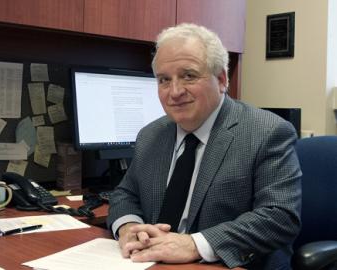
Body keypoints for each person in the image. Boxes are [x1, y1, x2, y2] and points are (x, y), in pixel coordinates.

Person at [107, 23, 302, 269]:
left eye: (188, 75)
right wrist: (128, 228)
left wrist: (193, 244)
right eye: (164, 80)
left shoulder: (267, 132)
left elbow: (279, 216)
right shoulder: (151, 135)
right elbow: (125, 194)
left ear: (221, 79)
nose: (174, 92)